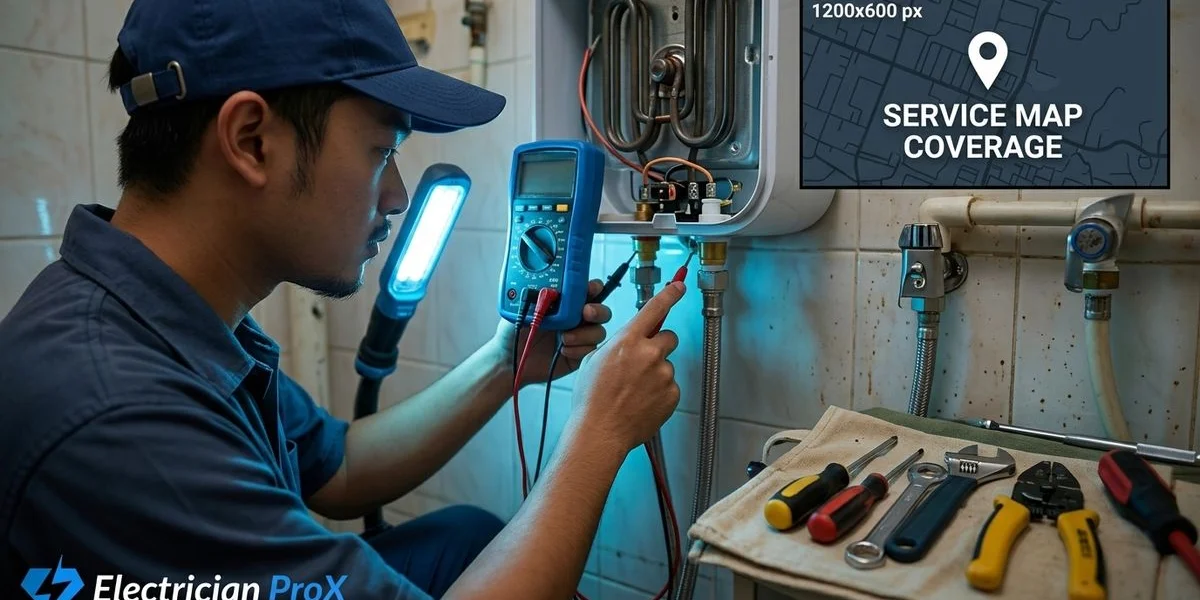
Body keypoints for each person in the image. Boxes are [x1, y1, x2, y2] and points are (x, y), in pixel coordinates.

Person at [0, 0, 686, 598]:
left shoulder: (170, 317)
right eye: (380, 152)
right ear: (250, 140)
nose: (395, 197)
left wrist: (506, 361)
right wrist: (598, 433)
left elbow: (342, 466)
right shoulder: (118, 414)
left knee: (465, 538)